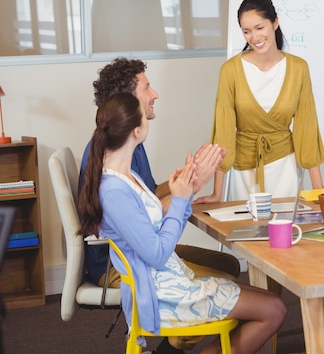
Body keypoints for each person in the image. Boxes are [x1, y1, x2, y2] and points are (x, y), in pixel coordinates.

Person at [78, 93, 287, 354]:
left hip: (172, 278)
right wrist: (180, 198)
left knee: (266, 300)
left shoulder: (127, 177)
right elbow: (156, 253)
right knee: (274, 309)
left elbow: (158, 225)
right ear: (136, 130)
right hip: (162, 293)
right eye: (144, 115)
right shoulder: (114, 191)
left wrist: (189, 188)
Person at [194, 0, 324, 203]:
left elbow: (306, 127)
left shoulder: (299, 68)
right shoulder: (230, 70)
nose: (254, 37)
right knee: (247, 231)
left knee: (284, 232)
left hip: (286, 166)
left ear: (274, 23)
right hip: (243, 169)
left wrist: (320, 191)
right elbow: (224, 130)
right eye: (247, 31)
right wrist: (217, 193)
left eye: (259, 28)